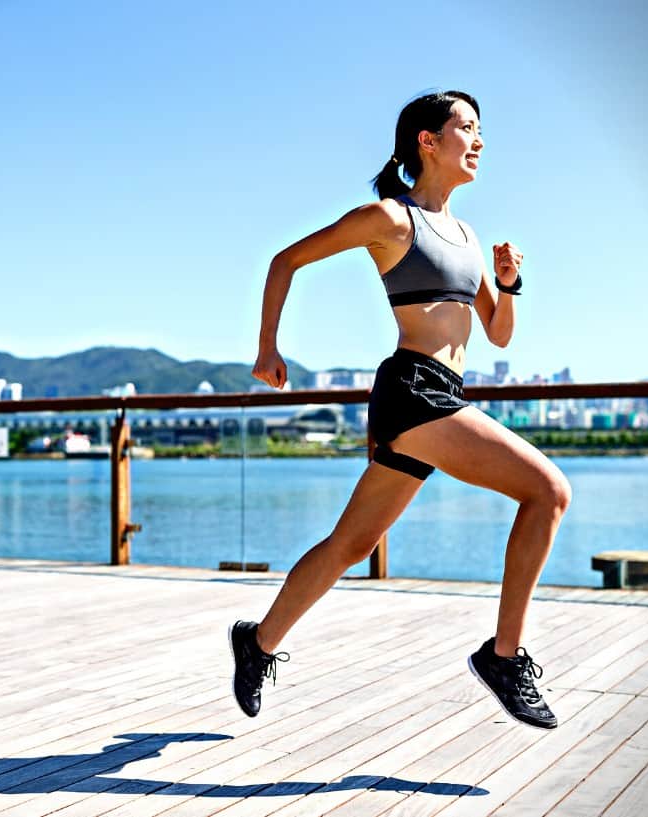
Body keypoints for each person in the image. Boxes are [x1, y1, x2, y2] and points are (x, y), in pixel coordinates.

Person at [229, 90, 572, 731]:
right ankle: (504, 656)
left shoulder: (467, 236)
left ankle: (258, 642)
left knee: (351, 544)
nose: (479, 140)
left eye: (480, 130)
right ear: (427, 140)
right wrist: (268, 346)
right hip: (413, 389)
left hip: (441, 394)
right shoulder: (389, 219)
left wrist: (507, 281)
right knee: (548, 491)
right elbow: (286, 260)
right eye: (466, 128)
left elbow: (497, 335)